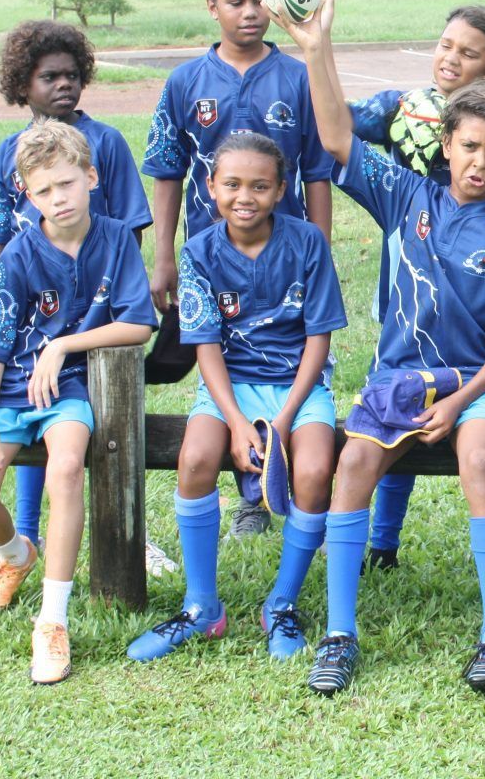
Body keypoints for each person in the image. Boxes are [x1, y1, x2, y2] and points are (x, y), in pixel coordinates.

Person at [277, 0, 485, 698]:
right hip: (401, 374)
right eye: (467, 148)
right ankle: (339, 633)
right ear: (445, 145)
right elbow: (337, 139)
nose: (479, 162)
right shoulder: (406, 197)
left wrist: (461, 402)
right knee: (356, 462)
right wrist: (316, 48)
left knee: (482, 456)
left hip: (479, 381)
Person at [126, 133, 348, 663]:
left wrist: (287, 418)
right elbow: (205, 346)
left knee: (315, 471)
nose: (244, 196)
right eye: (231, 184)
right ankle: (202, 607)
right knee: (196, 457)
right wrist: (237, 422)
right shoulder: (199, 250)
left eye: (259, 185)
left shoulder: (307, 243)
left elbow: (319, 341)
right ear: (210, 186)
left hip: (298, 387)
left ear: (280, 190)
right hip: (229, 386)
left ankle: (282, 604)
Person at [143, 0, 336, 538]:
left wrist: (320, 248)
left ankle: (269, 485)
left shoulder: (296, 76)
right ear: (212, 7)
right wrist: (166, 256)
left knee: (280, 350)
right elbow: (167, 169)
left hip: (284, 257)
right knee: (219, 362)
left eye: (259, 0)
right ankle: (248, 492)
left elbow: (319, 171)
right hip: (210, 259)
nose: (249, 12)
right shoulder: (184, 82)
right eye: (236, 1)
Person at [0, 120, 155, 684]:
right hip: (11, 391)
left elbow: (138, 323)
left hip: (68, 387)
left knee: (67, 468)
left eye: (67, 184)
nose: (58, 199)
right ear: (26, 194)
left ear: (91, 177)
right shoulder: (19, 255)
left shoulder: (115, 239)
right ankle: (17, 556)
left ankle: (52, 621)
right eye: (43, 191)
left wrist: (64, 343)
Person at [346, 5, 485, 575]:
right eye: (445, 45)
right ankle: (382, 540)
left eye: (469, 52)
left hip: (478, 290)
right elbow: (345, 130)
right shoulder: (406, 107)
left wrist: (472, 168)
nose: (451, 59)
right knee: (400, 402)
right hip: (411, 282)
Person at [0, 20, 151, 553]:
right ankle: (26, 530)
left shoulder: (105, 144)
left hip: (98, 318)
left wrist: (105, 303)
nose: (63, 86)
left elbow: (128, 230)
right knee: (33, 404)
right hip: (34, 321)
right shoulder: (9, 152)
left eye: (72, 75)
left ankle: (125, 536)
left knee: (97, 434)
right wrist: (15, 313)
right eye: (49, 77)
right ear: (21, 84)